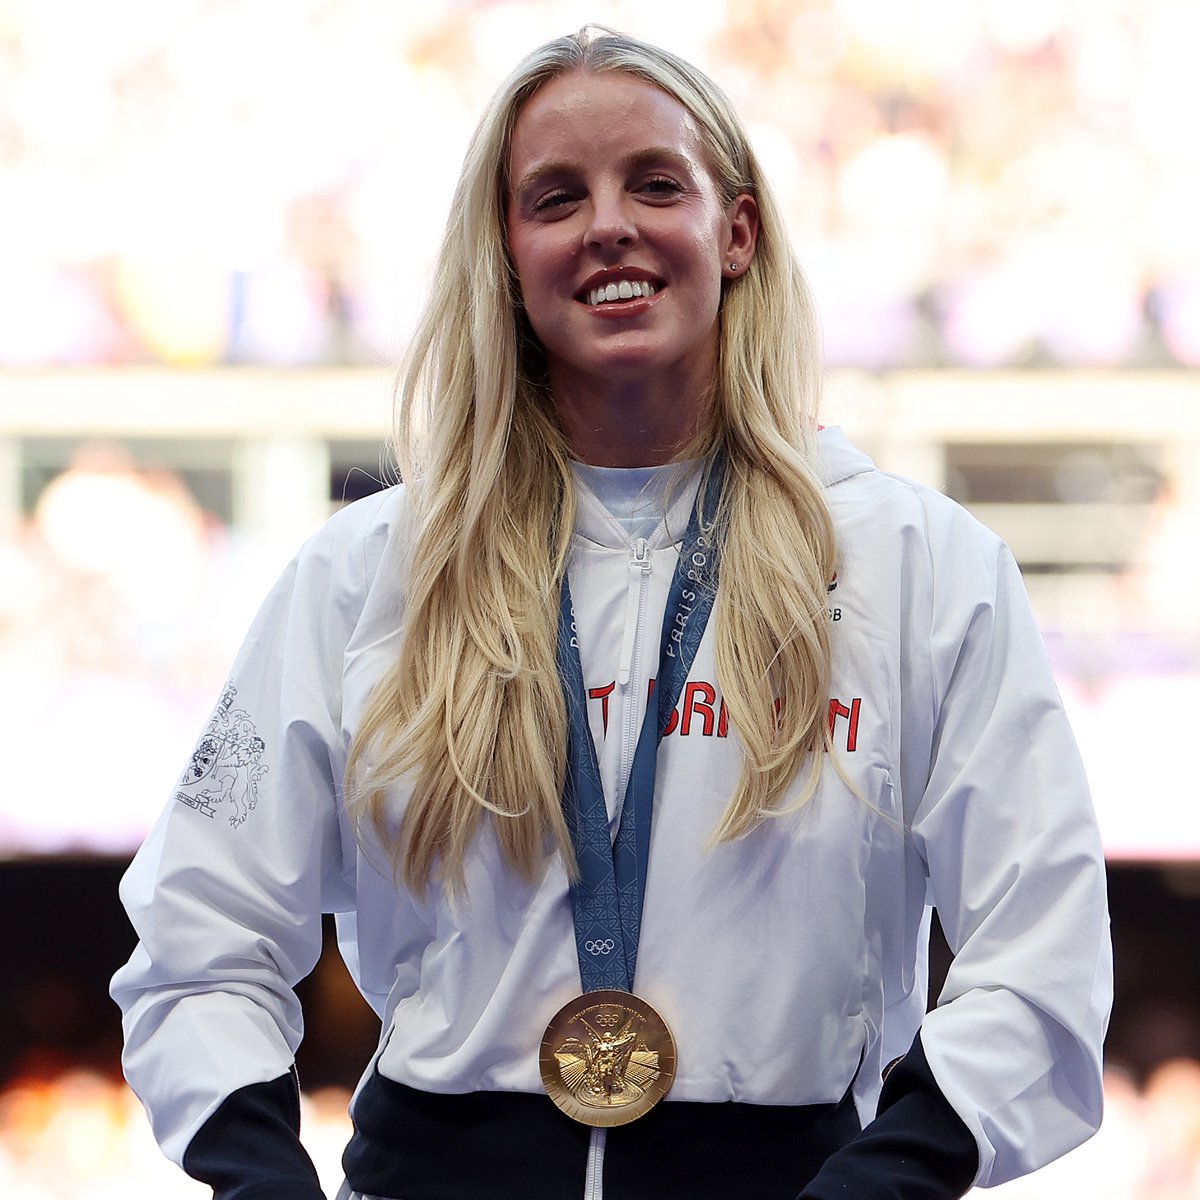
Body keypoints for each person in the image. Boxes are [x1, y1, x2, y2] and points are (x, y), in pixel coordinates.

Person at [111, 26, 1112, 1200]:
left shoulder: (921, 568)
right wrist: (258, 1181)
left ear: (736, 231)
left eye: (654, 183)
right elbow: (199, 938)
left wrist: (887, 1180)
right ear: (507, 251)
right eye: (555, 197)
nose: (608, 227)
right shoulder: (364, 573)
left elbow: (1039, 955)